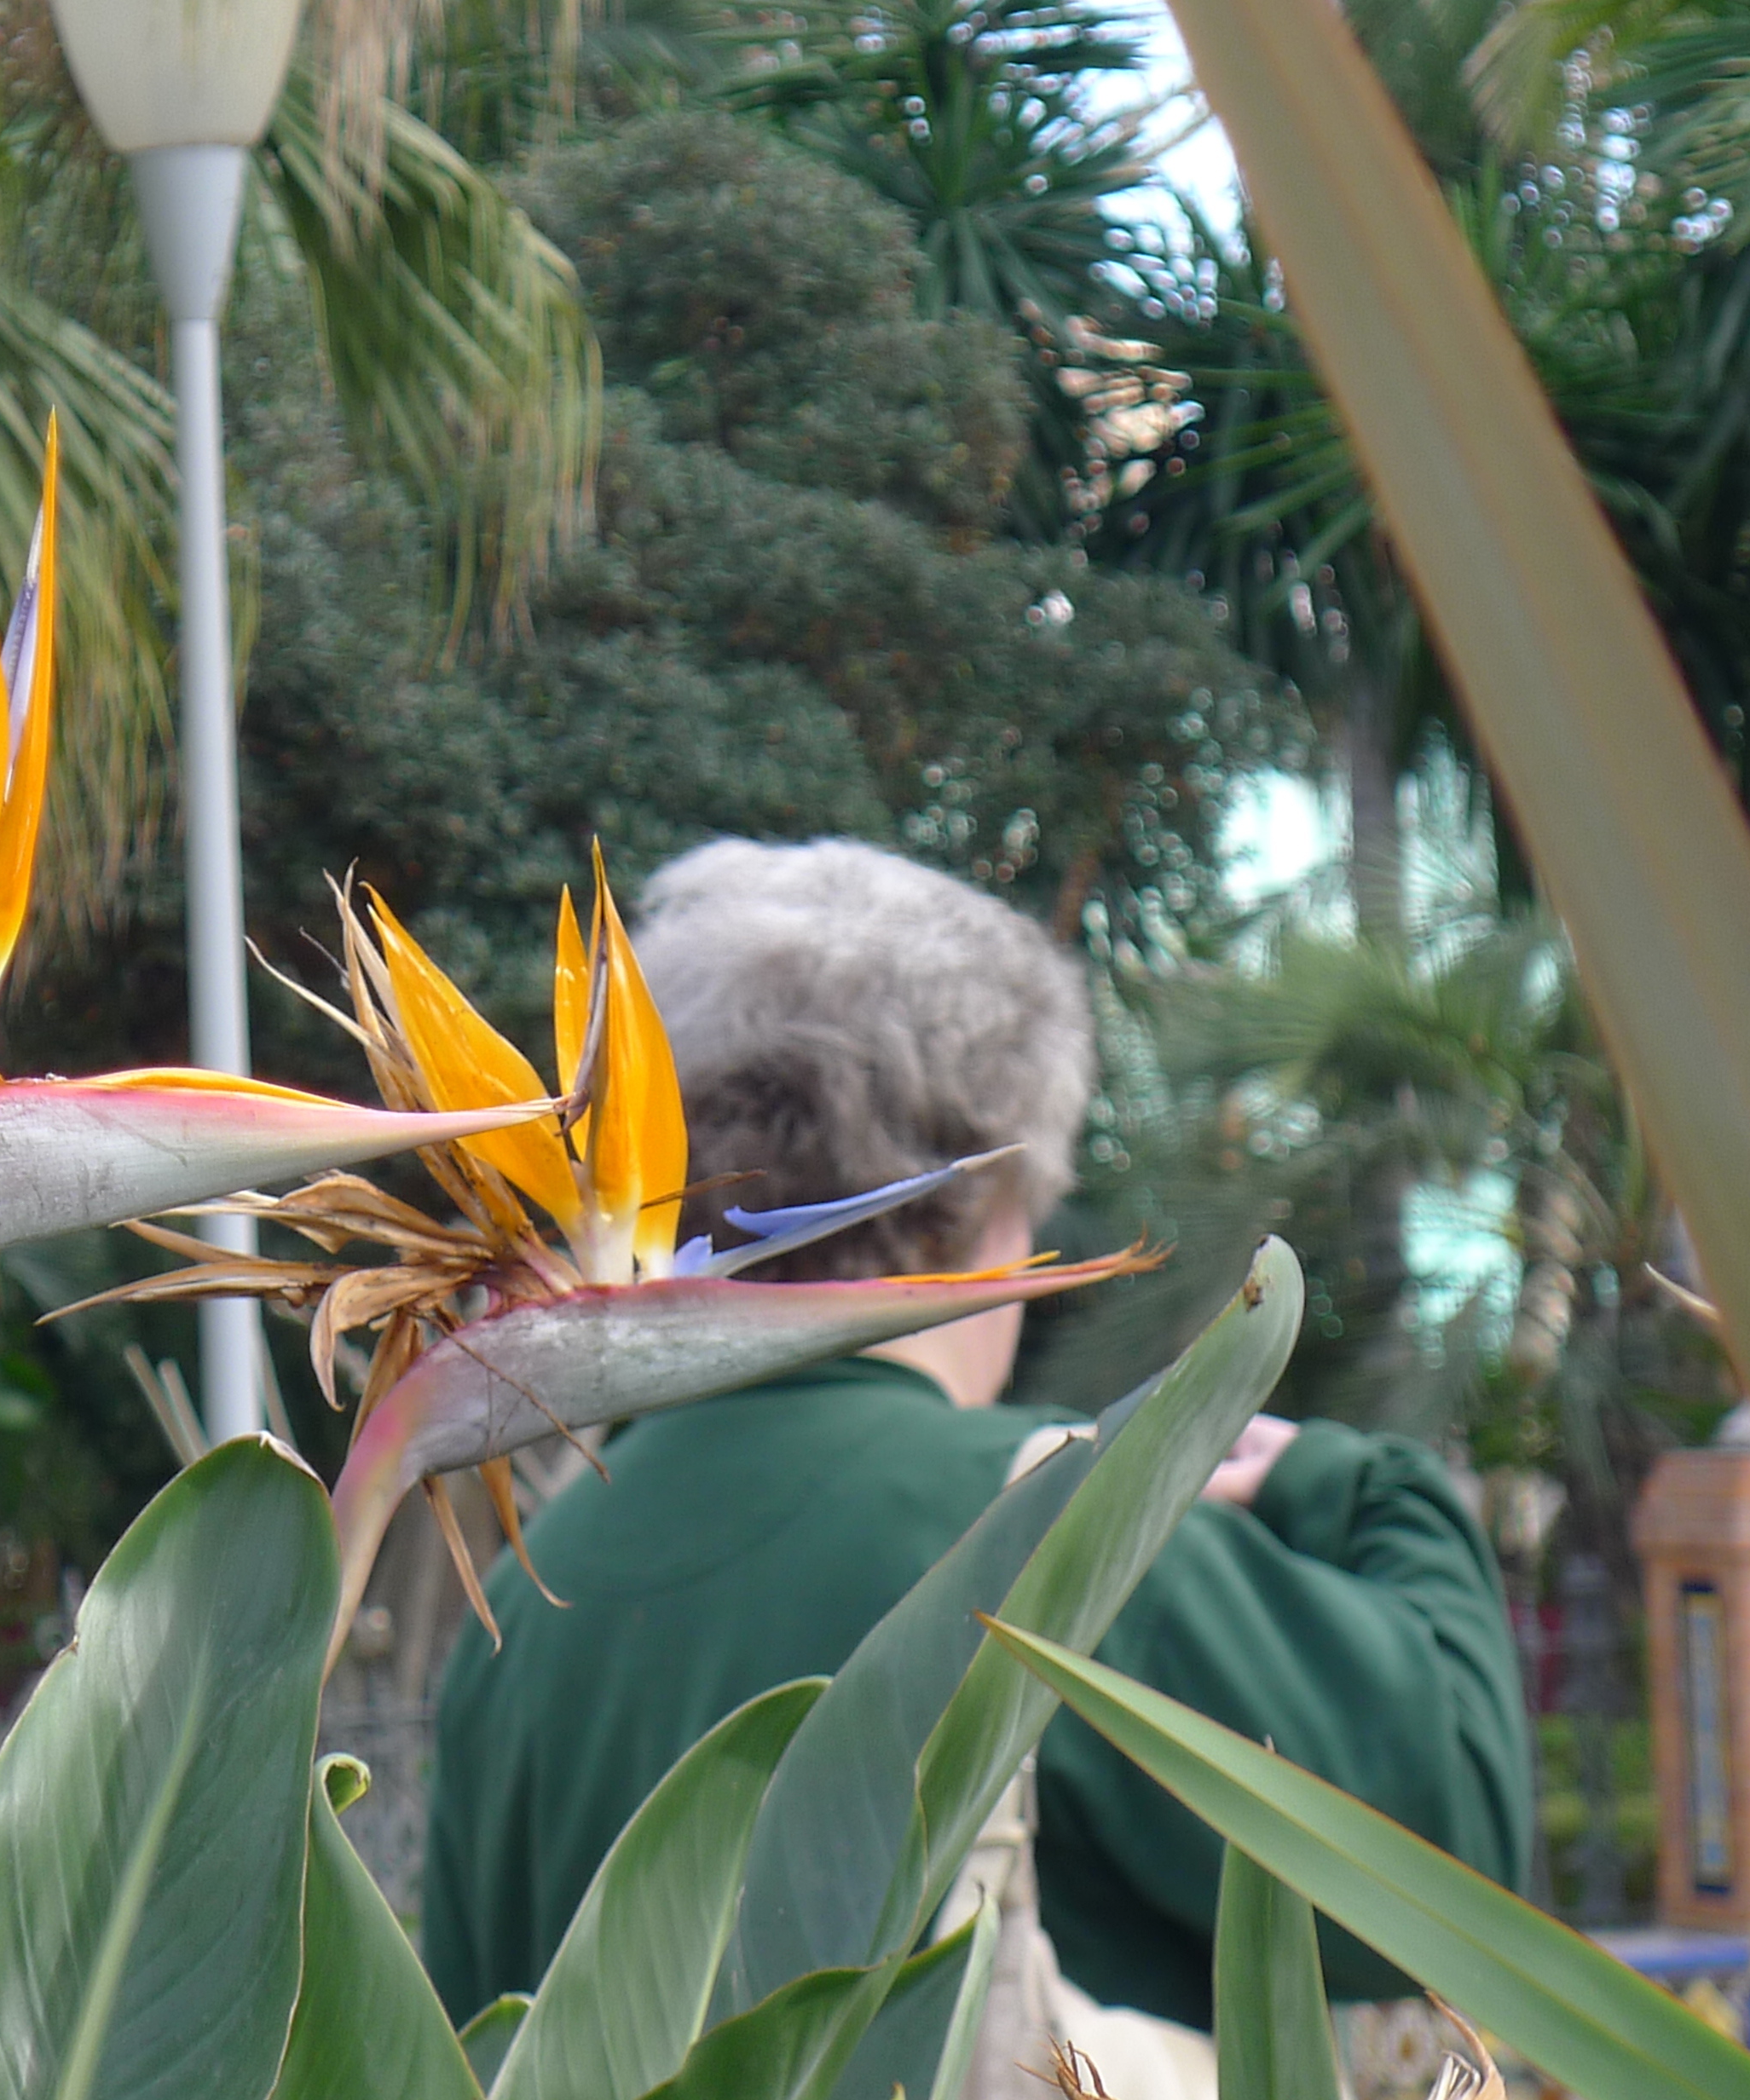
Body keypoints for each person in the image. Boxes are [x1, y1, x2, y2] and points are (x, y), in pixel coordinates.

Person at [420, 837, 1531, 2073]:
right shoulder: (1056, 1526)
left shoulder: (526, 1598)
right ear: (1004, 1192)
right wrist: (1360, 1493)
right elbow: (1460, 1874)